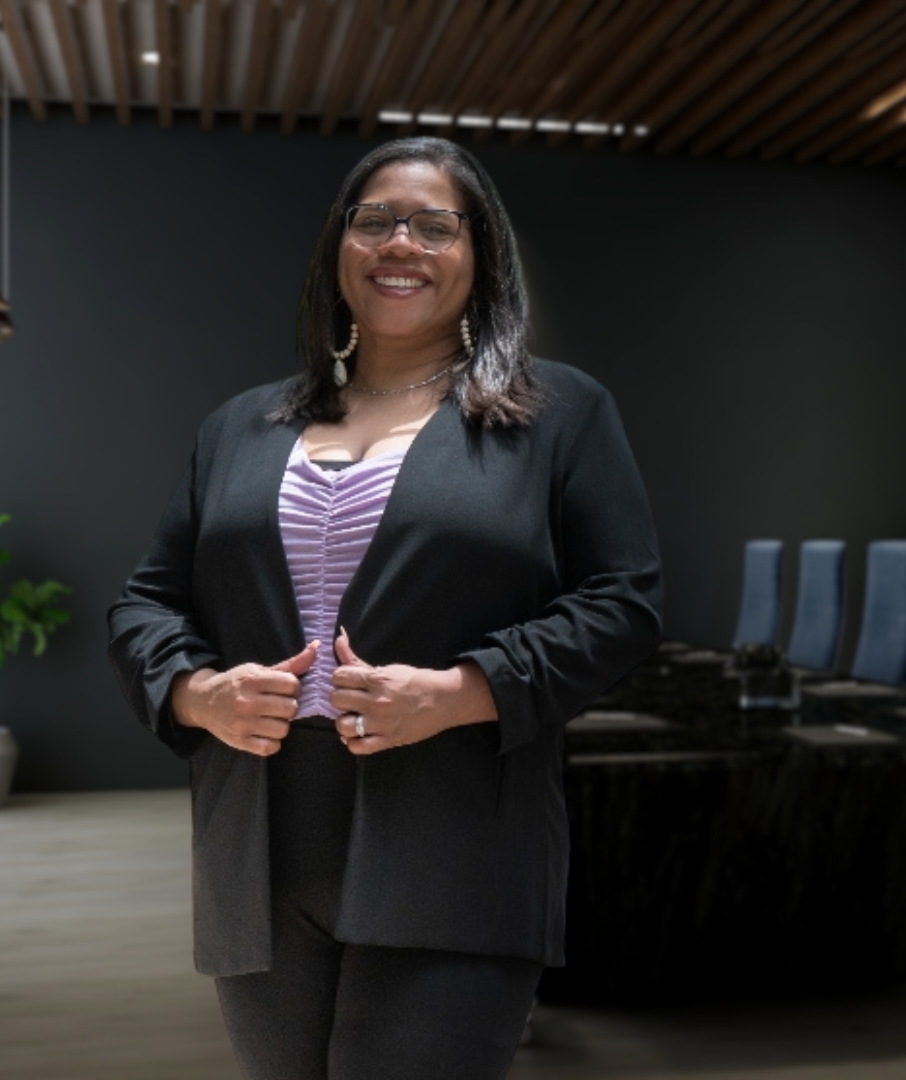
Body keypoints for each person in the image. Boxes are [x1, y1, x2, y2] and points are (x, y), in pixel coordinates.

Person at [107, 136, 663, 1080]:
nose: (399, 241)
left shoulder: (557, 412)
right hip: (260, 848)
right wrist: (199, 694)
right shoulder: (241, 426)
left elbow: (625, 601)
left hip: (456, 836)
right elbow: (146, 602)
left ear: (481, 256)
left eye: (435, 225)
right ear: (339, 248)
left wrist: (462, 689)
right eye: (374, 221)